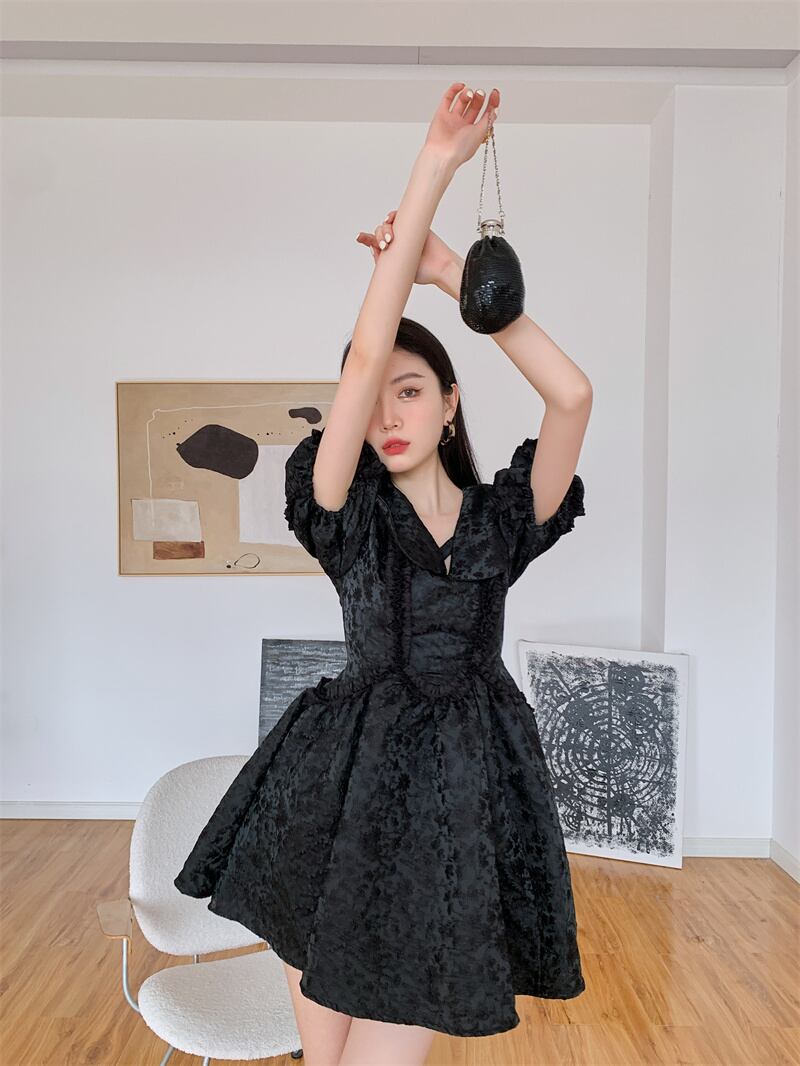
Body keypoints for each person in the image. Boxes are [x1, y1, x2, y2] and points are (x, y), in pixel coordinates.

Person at [174, 83, 592, 1066]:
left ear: (449, 402)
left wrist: (457, 283)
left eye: (412, 392)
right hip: (331, 804)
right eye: (373, 401)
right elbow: (363, 357)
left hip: (456, 805)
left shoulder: (503, 521)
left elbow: (572, 395)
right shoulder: (342, 509)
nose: (387, 414)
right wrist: (434, 163)